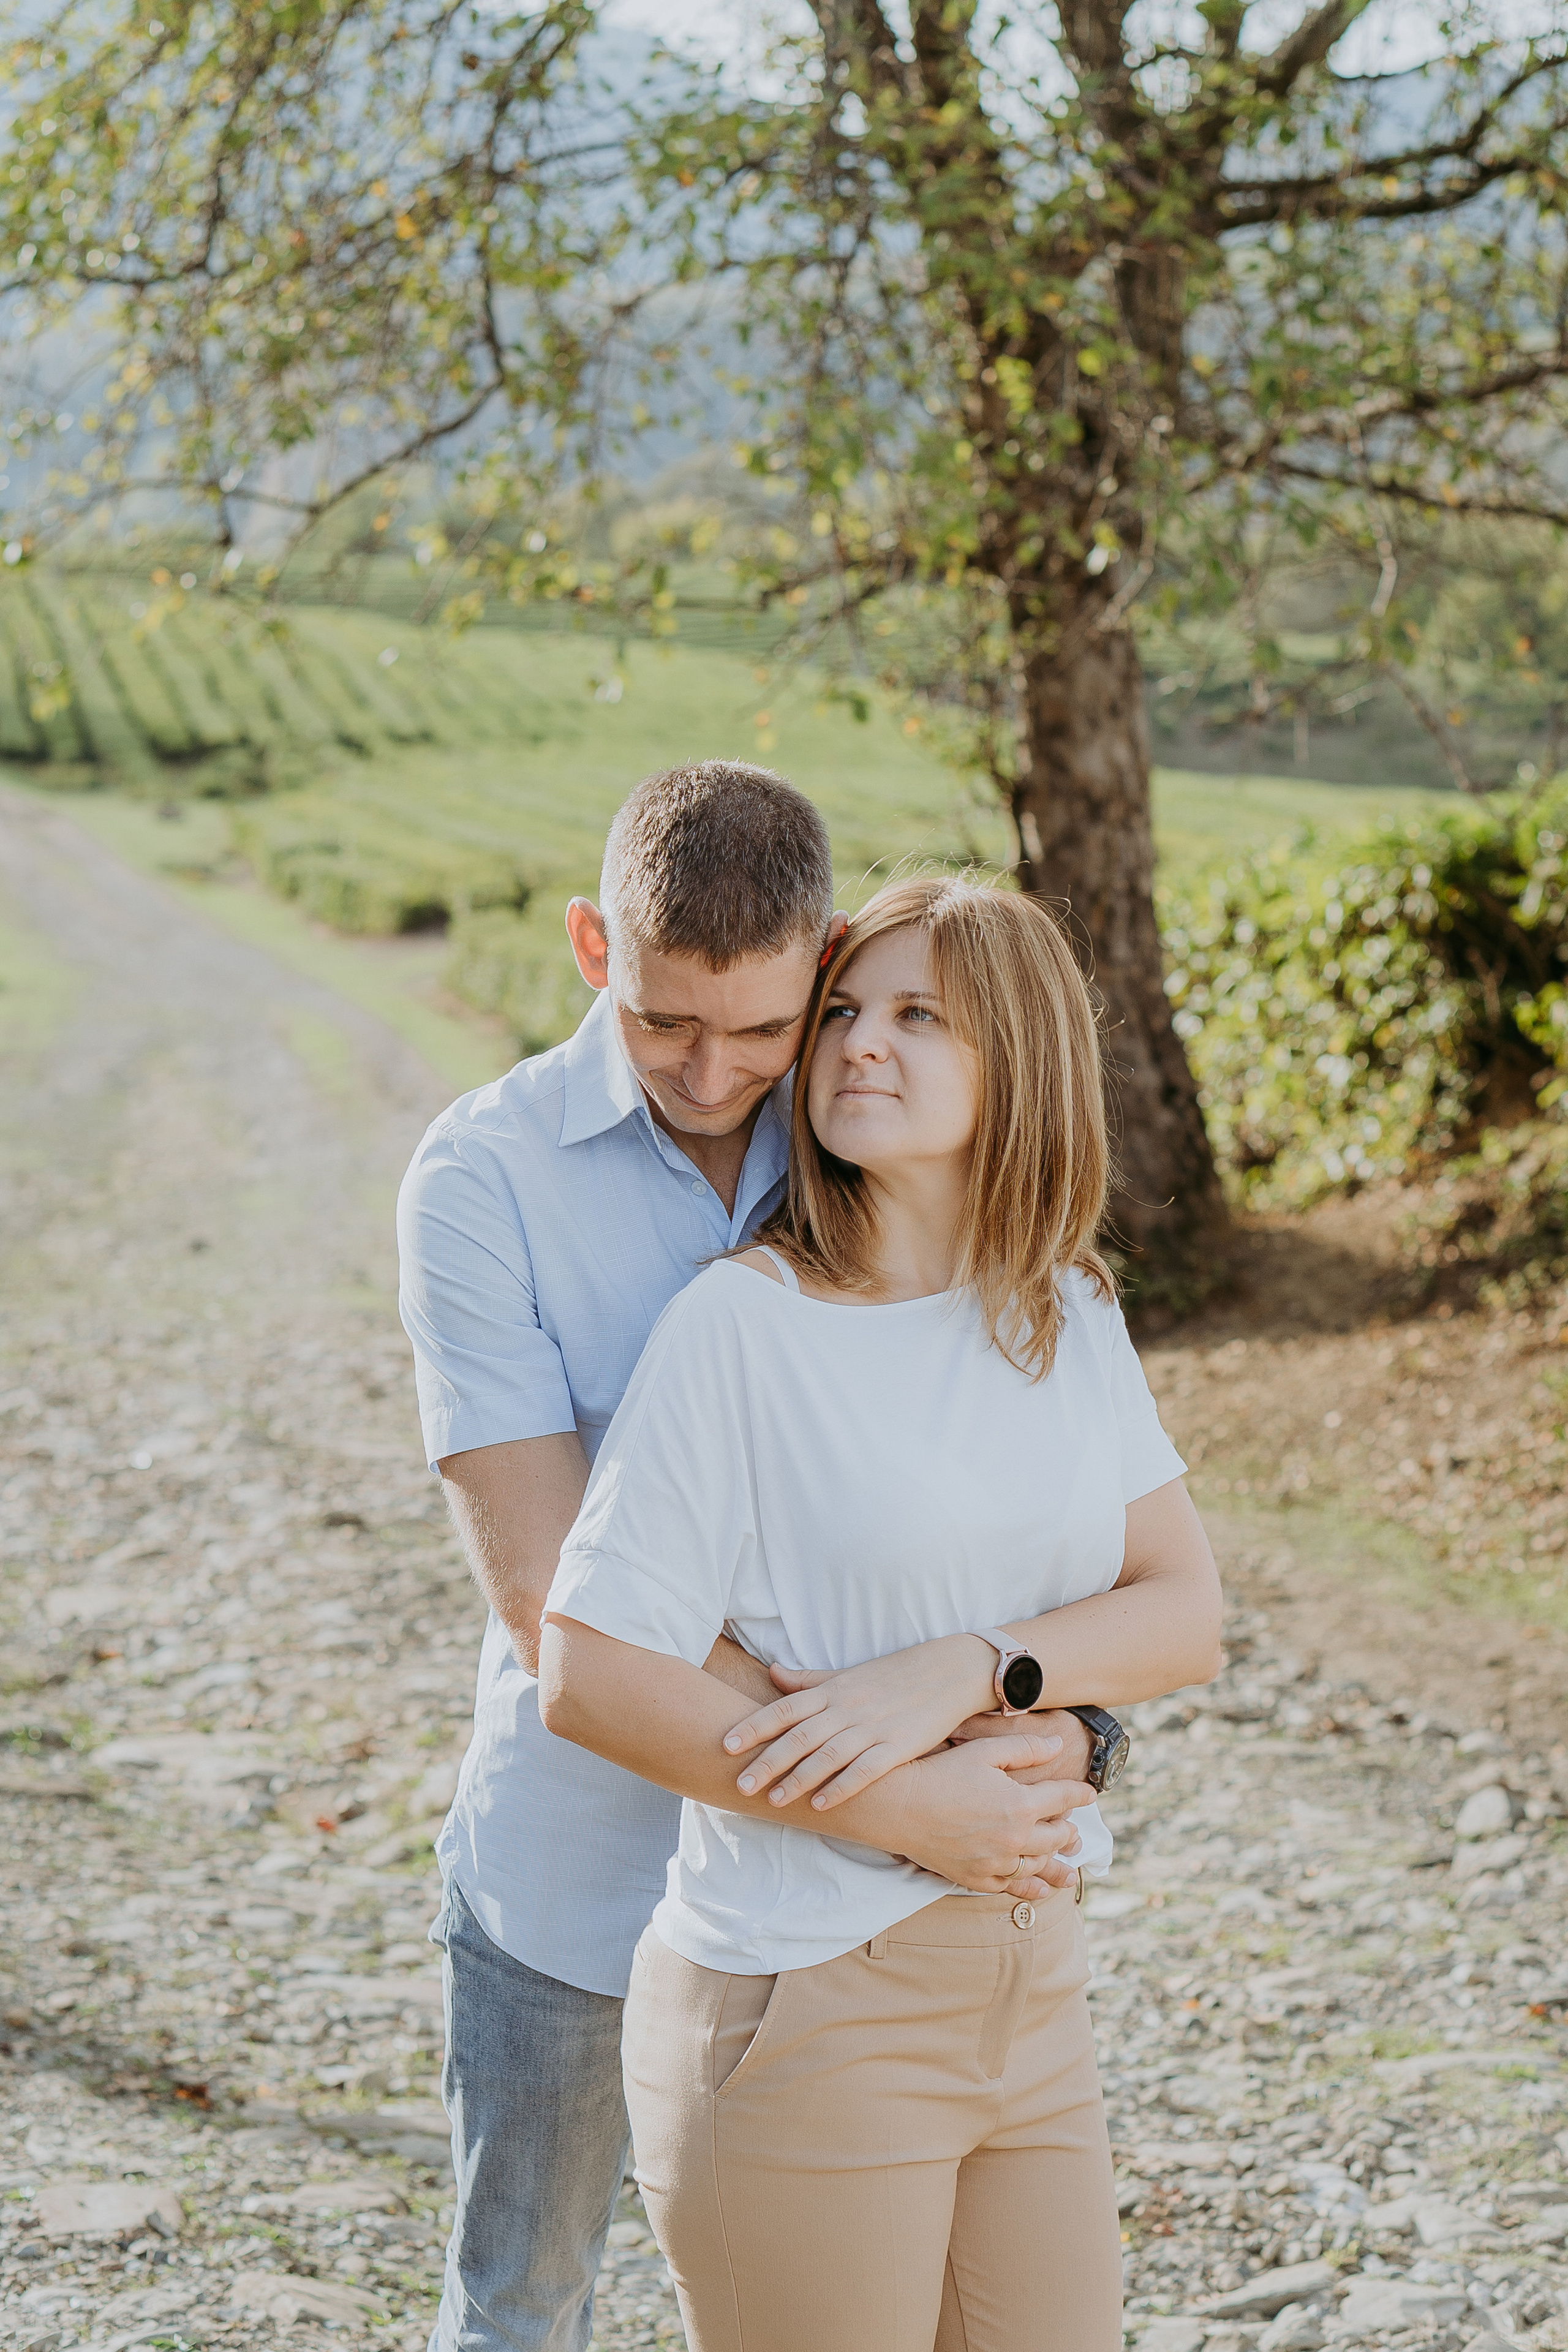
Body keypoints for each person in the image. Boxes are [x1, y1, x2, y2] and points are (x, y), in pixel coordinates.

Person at [396, 770, 1112, 2352]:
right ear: (592, 947)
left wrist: (1066, 1718)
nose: (714, 1074)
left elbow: (995, 1514)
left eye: (763, 1030)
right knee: (522, 2305)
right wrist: (895, 1787)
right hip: (582, 1868)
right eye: (665, 1024)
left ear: (826, 963)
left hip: (853, 1923)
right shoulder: (481, 1181)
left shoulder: (870, 1134)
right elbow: (553, 1601)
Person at [538, 874, 1223, 2352]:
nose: (858, 1042)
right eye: (844, 1010)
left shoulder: (1063, 1308)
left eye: (919, 1017)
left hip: (1031, 1981)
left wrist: (974, 1670)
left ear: (1018, 1059)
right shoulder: (742, 1329)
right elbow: (589, 1671)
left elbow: (1183, 1611)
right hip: (803, 1998)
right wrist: (904, 1808)